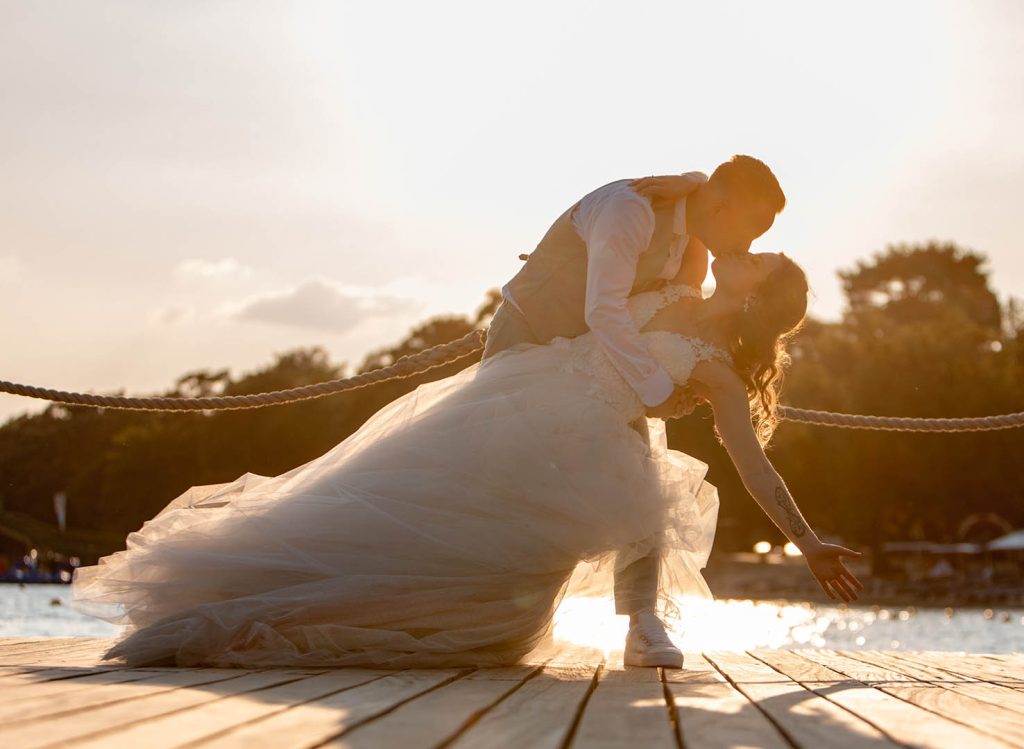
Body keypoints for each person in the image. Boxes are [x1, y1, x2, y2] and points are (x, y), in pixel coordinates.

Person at [71, 245, 863, 670]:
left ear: (760, 295)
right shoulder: (676, 269)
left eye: (764, 259)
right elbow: (608, 237)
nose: (748, 251)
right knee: (397, 504)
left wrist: (806, 536)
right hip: (524, 394)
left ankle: (638, 627)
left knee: (625, 505)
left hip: (582, 437)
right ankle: (243, 590)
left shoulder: (717, 368)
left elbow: (752, 461)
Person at [485, 155, 786, 667]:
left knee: (643, 479)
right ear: (720, 206)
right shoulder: (630, 211)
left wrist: (692, 182)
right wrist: (656, 389)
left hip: (604, 363)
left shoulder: (693, 231)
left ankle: (641, 624)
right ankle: (481, 601)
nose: (748, 246)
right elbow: (602, 308)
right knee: (505, 477)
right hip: (529, 340)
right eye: (751, 228)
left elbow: (656, 305)